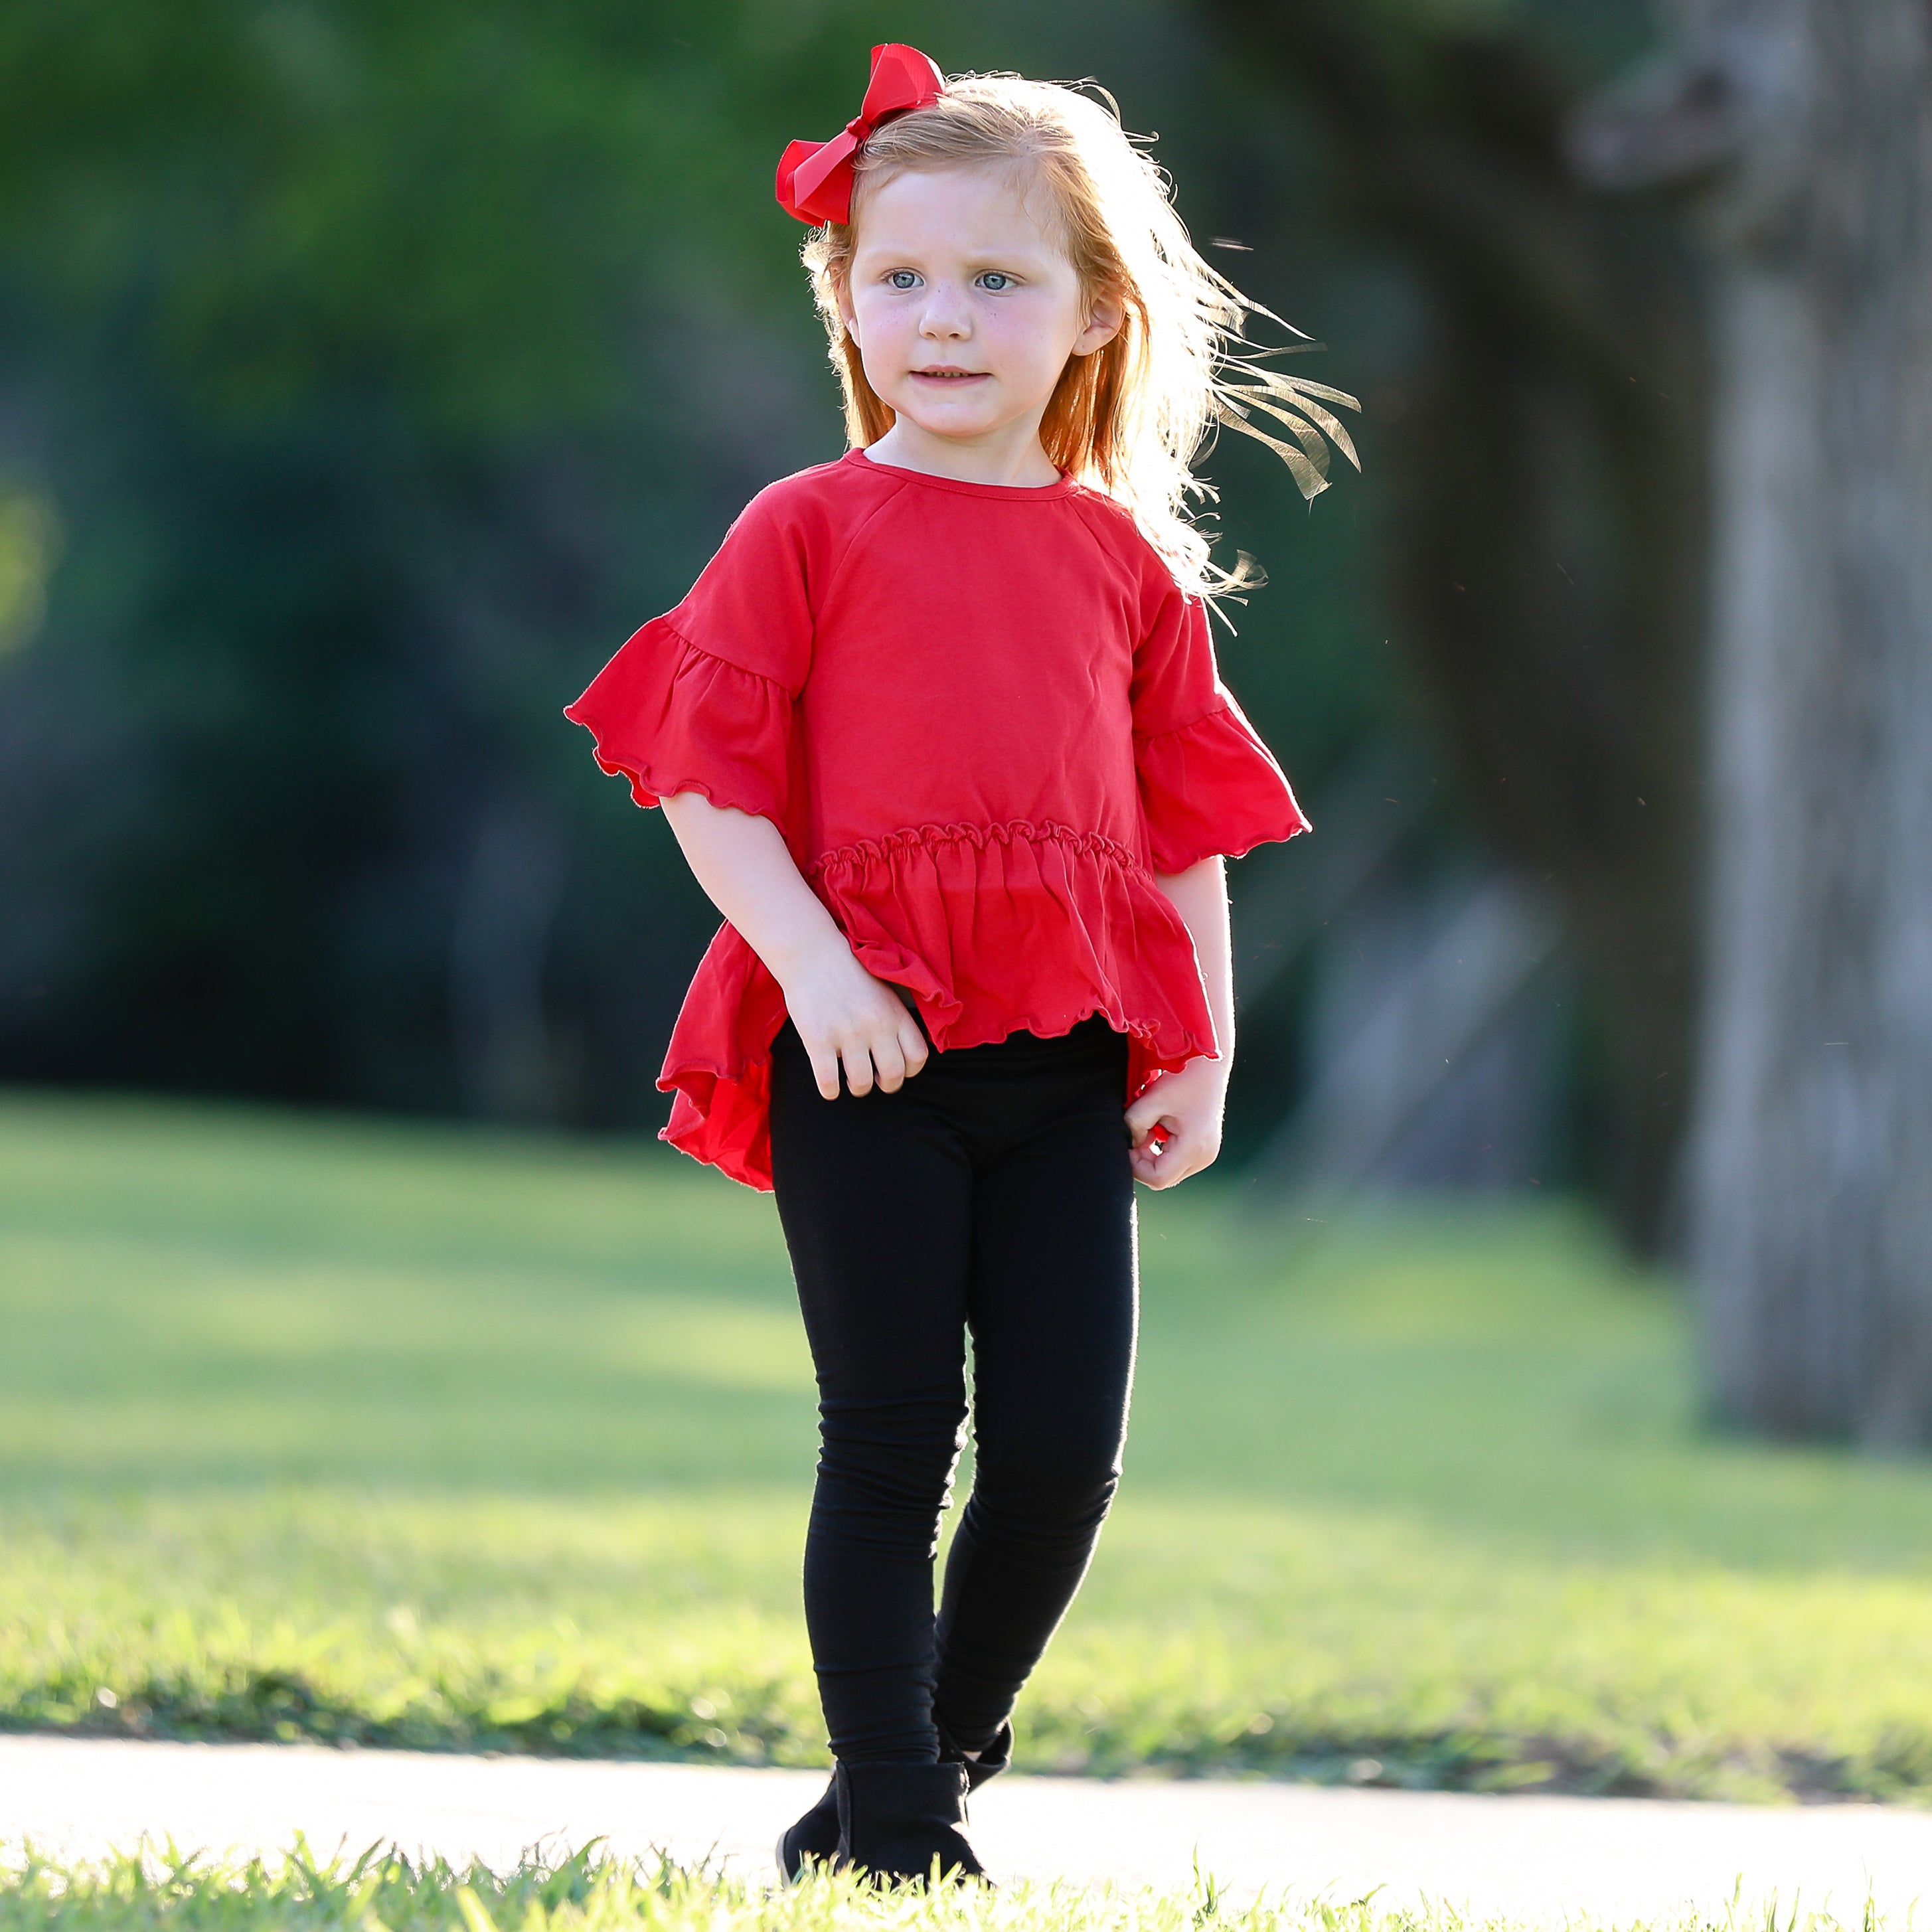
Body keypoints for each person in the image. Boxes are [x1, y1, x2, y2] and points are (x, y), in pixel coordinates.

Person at [565, 43, 1354, 1886]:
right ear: (847, 299)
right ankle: (906, 1834)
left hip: (1072, 1057)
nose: (942, 317)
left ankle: (907, 1777)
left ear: (1092, 314)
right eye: (900, 277)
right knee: (892, 1438)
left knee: (1065, 1452)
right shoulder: (804, 528)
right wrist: (822, 973)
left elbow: (1187, 831)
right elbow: (706, 781)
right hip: (862, 1058)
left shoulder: (1124, 568)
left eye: (997, 280)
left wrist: (1206, 1050)